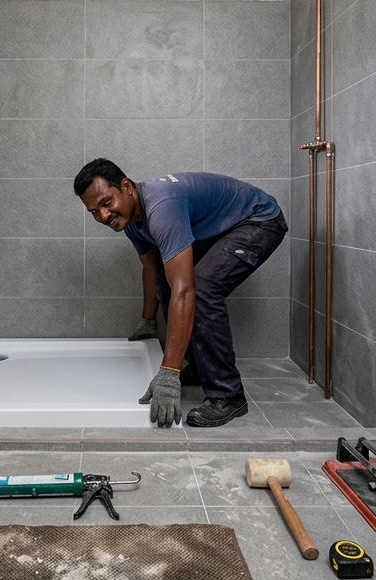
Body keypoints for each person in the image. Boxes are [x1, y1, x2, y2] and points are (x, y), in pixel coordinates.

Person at [73, 158, 287, 429]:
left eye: (107, 203)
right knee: (167, 282)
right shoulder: (131, 221)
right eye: (94, 212)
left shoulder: (162, 208)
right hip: (225, 228)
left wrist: (169, 373)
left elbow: (185, 291)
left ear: (126, 187)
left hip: (259, 220)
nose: (104, 216)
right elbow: (153, 271)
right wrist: (148, 320)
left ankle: (228, 395)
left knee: (202, 288)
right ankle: (201, 367)